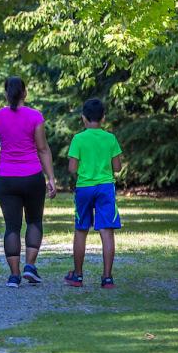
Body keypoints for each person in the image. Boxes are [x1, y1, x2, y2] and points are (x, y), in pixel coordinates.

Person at [0, 77, 56, 288]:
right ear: (25, 93)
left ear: (6, 94)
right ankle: (30, 267)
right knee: (34, 221)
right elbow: (42, 148)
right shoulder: (35, 116)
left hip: (6, 179)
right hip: (32, 177)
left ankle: (14, 276)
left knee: (12, 227)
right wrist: (50, 177)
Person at [64, 98, 123, 289]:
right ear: (103, 118)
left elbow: (72, 168)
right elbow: (117, 167)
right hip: (105, 187)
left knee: (81, 230)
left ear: (83, 118)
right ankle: (107, 278)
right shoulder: (110, 138)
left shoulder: (78, 139)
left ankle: (78, 276)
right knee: (107, 231)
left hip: (84, 188)